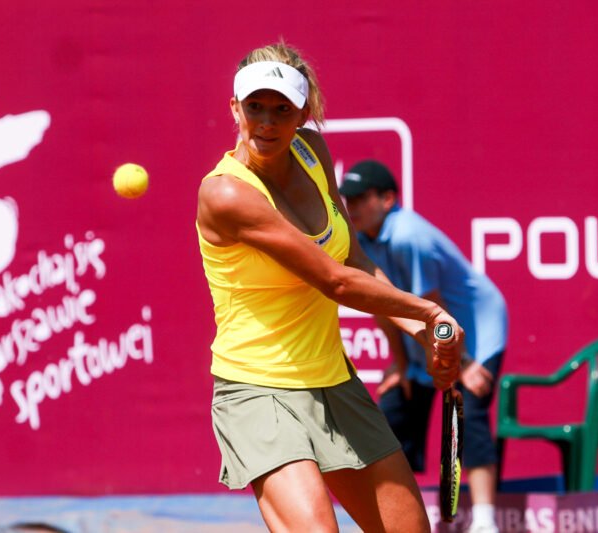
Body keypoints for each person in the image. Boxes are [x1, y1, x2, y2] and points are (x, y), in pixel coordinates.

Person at [196, 41, 464, 532]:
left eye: (282, 109)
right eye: (255, 106)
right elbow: (335, 281)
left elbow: (354, 260)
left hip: (333, 380)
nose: (267, 122)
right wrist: (429, 313)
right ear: (235, 108)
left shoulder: (311, 150)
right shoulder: (226, 193)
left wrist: (421, 332)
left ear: (303, 114)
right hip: (257, 388)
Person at [339, 160, 508, 533]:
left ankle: (484, 522)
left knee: (465, 412)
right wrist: (400, 365)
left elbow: (434, 309)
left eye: (361, 198)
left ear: (387, 199)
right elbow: (383, 307)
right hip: (430, 339)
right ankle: (400, 516)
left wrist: (463, 364)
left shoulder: (408, 236)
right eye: (348, 200)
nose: (353, 207)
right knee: (394, 410)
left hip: (476, 335)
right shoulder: (362, 240)